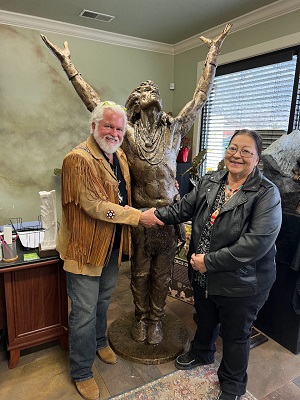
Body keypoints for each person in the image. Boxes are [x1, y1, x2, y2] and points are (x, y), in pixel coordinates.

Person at [41, 23, 231, 345]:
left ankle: (156, 319)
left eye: (154, 91)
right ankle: (141, 318)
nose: (151, 93)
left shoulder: (173, 130)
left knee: (163, 276)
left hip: (167, 219)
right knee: (139, 275)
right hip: (138, 219)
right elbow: (94, 102)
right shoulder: (124, 134)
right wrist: (68, 66)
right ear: (136, 101)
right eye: (144, 91)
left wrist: (212, 55)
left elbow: (200, 97)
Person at [141, 129, 282, 400]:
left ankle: (232, 385)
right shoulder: (211, 180)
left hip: (242, 282)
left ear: (257, 158)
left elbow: (255, 244)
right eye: (232, 148)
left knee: (235, 335)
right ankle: (201, 353)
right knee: (205, 317)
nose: (237, 155)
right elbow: (182, 210)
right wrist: (154, 215)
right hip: (203, 272)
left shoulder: (267, 194)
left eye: (246, 151)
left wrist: (209, 261)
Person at [56, 101, 156, 400]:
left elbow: (125, 191)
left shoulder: (118, 156)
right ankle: (82, 371)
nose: (114, 132)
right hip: (84, 250)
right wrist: (138, 217)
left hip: (111, 248)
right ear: (94, 126)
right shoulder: (77, 159)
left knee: (102, 303)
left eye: (119, 128)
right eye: (108, 126)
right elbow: (93, 205)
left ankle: (100, 342)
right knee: (83, 313)